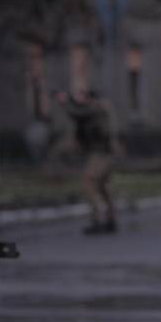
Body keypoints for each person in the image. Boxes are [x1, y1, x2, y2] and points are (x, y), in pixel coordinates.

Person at [56, 90, 120, 234]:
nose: (81, 100)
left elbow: (76, 113)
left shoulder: (94, 109)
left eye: (84, 97)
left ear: (91, 99)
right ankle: (111, 220)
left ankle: (96, 221)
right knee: (102, 187)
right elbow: (79, 113)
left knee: (89, 182)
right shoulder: (96, 110)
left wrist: (65, 102)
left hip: (101, 154)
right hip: (105, 154)